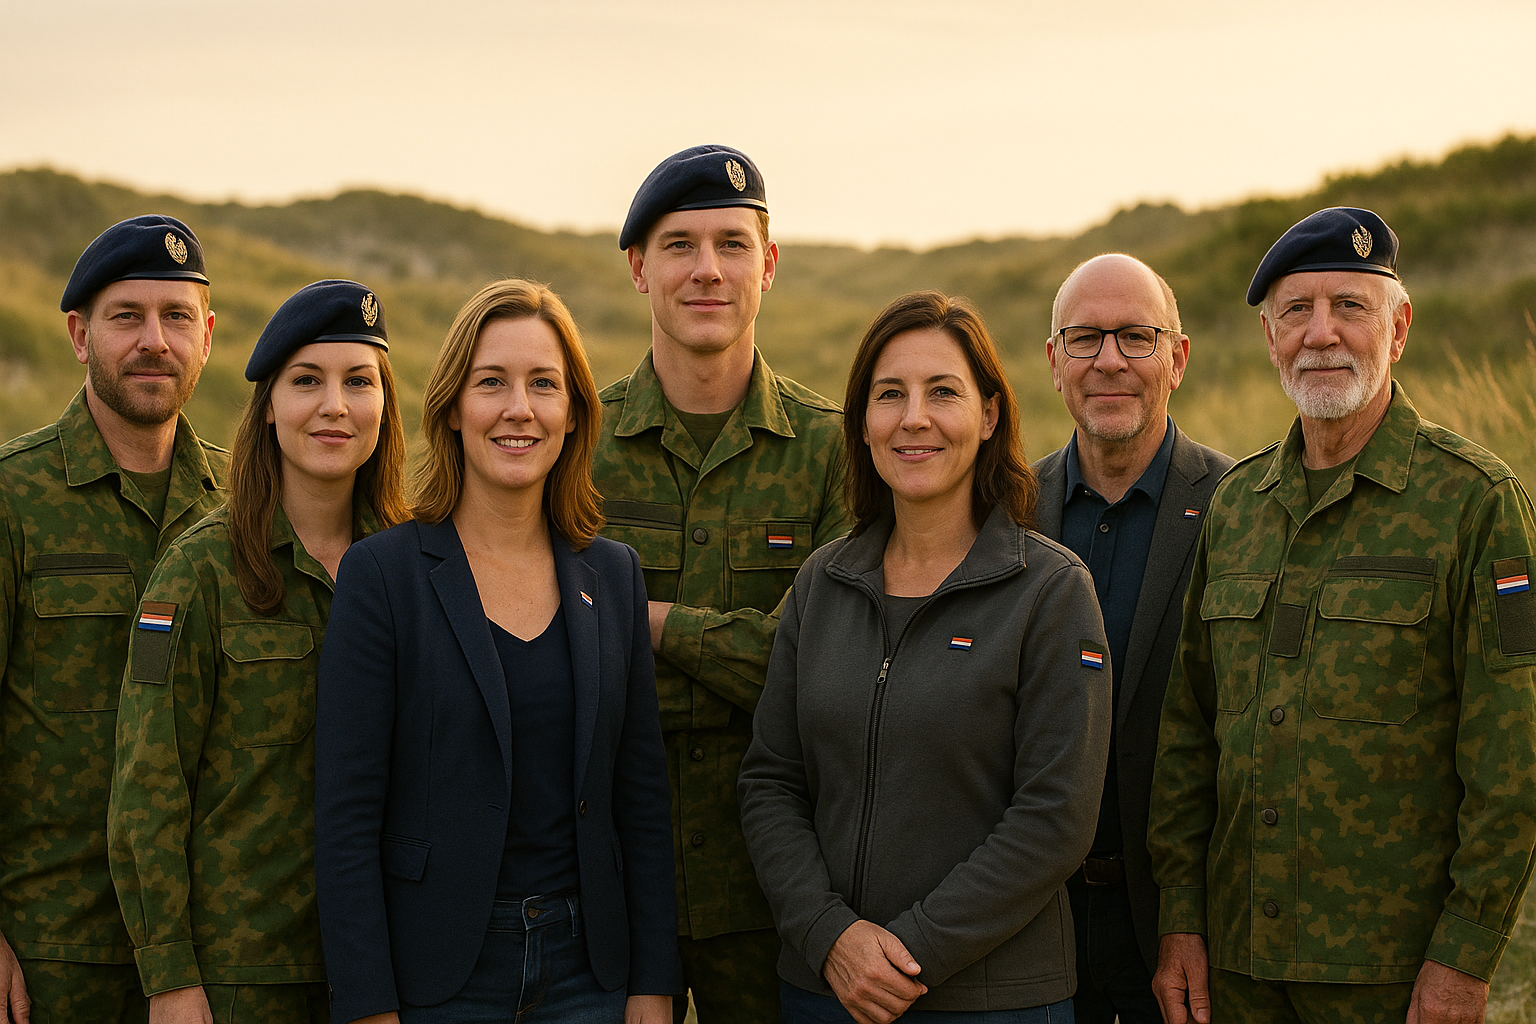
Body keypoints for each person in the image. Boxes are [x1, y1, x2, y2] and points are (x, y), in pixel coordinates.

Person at [1148, 208, 1536, 1024]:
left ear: (1397, 330)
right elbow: (1187, 737)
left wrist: (1464, 957)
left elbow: (1514, 757)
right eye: (1297, 311)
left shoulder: (1474, 503)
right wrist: (1181, 920)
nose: (1321, 334)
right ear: (1270, 338)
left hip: (1392, 978)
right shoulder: (1236, 507)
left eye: (1349, 307)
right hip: (1238, 970)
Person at [314, 279, 681, 1024]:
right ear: (453, 407)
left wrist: (654, 983)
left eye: (544, 384)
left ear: (573, 412)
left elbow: (640, 802)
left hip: (592, 977)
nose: (520, 408)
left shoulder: (613, 575)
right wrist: (368, 1006)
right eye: (492, 383)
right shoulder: (382, 575)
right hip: (438, 977)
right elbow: (346, 816)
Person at [740, 290, 1113, 1024]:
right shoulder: (823, 581)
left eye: (943, 392)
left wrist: (907, 953)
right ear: (864, 421)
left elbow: (1055, 817)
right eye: (889, 395)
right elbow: (770, 783)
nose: (914, 418)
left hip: (993, 1000)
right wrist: (832, 938)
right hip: (826, 992)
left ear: (989, 415)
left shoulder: (1051, 590)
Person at [593, 144, 851, 1023]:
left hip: (780, 892)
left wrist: (640, 620)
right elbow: (546, 646)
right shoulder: (571, 444)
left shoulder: (836, 452)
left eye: (733, 245)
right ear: (638, 268)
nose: (708, 271)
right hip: (608, 883)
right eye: (679, 246)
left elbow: (818, 664)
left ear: (768, 265)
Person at [107, 280, 408, 1024]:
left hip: (395, 971)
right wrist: (171, 978)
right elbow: (148, 786)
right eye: (306, 381)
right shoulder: (202, 570)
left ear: (384, 407)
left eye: (358, 381)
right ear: (268, 406)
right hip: (246, 977)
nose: (335, 406)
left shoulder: (417, 567)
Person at [0, 215, 226, 1024]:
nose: (153, 341)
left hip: (219, 952)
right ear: (77, 334)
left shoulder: (246, 503)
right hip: (51, 951)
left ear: (207, 335)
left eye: (175, 318)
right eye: (126, 316)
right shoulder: (14, 499)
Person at [1033, 254, 1234, 1024]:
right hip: (1032, 927)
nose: (1109, 360)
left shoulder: (1240, 509)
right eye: (1084, 339)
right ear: (1054, 362)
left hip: (1186, 934)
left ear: (1177, 358)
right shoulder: (1004, 514)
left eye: (1136, 338)